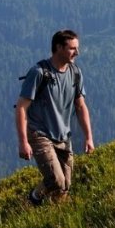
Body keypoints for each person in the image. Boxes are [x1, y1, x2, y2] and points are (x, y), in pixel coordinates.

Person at [15, 29, 95, 205]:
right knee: (57, 181)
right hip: (39, 133)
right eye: (72, 48)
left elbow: (81, 106)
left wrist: (88, 137)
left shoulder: (75, 73)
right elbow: (21, 107)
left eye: (77, 48)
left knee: (65, 186)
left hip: (63, 136)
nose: (77, 52)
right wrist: (23, 141)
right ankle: (34, 197)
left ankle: (55, 214)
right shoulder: (39, 72)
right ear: (58, 47)